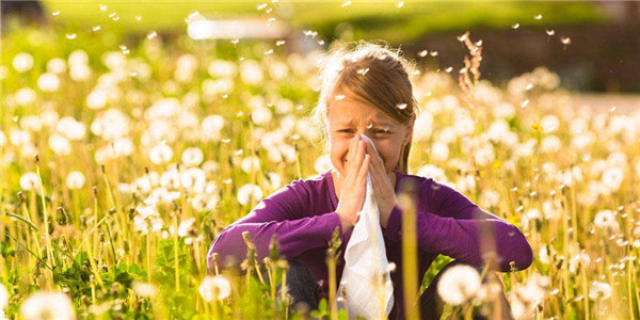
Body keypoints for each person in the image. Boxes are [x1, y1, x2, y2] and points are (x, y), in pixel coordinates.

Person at [207, 42, 533, 319]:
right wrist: (338, 221)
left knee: (483, 280)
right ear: (327, 127)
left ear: (407, 131)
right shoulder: (305, 197)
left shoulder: (425, 196)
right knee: (288, 273)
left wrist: (401, 219)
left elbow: (515, 249)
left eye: (380, 132)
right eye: (347, 131)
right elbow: (221, 254)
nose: (363, 147)